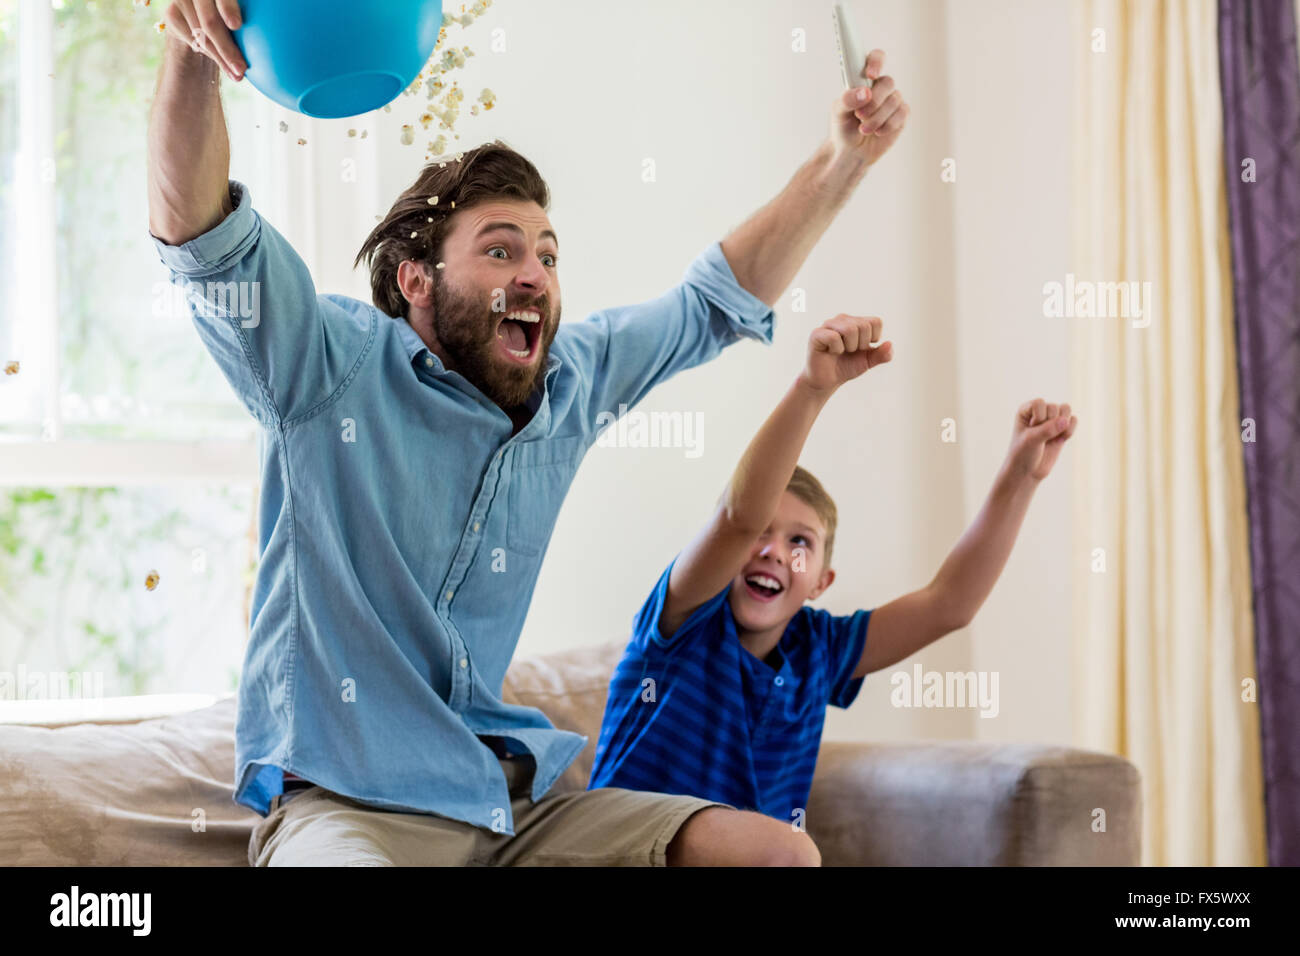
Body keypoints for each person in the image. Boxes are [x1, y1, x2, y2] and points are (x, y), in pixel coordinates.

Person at [147, 0, 909, 866]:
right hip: (345, 814)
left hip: (507, 811)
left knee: (779, 855)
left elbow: (709, 304)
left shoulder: (570, 383)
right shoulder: (328, 368)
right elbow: (201, 236)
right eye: (502, 251)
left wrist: (845, 161)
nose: (537, 275)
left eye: (548, 255)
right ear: (417, 282)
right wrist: (189, 49)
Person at [588, 315, 1077, 828]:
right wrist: (812, 389)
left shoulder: (819, 650)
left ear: (822, 581)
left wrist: (1019, 476)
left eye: (799, 542)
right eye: (761, 532)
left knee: (779, 848)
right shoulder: (683, 617)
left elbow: (949, 604)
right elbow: (737, 517)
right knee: (785, 851)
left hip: (750, 858)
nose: (774, 551)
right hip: (628, 850)